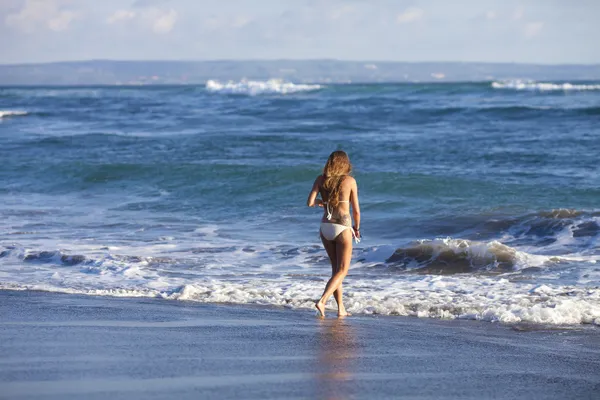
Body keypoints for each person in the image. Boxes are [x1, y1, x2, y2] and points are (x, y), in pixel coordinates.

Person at [306, 150, 360, 318]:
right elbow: (356, 210)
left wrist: (323, 201)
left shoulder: (320, 179)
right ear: (345, 164)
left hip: (325, 228)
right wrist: (357, 228)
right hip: (343, 227)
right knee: (343, 270)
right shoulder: (349, 181)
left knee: (336, 270)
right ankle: (322, 300)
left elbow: (310, 203)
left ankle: (341, 308)